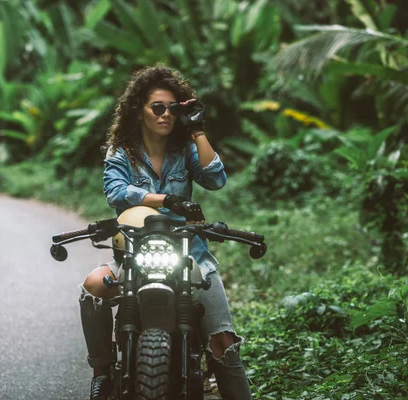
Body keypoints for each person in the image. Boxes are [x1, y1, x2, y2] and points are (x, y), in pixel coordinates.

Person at [78, 63, 252, 400]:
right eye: (157, 107)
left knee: (223, 342)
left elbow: (215, 179)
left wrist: (197, 130)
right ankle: (102, 373)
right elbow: (116, 191)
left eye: (173, 108)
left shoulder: (184, 149)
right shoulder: (122, 152)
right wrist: (166, 198)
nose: (165, 115)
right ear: (138, 111)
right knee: (94, 285)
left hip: (188, 252)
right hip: (134, 250)